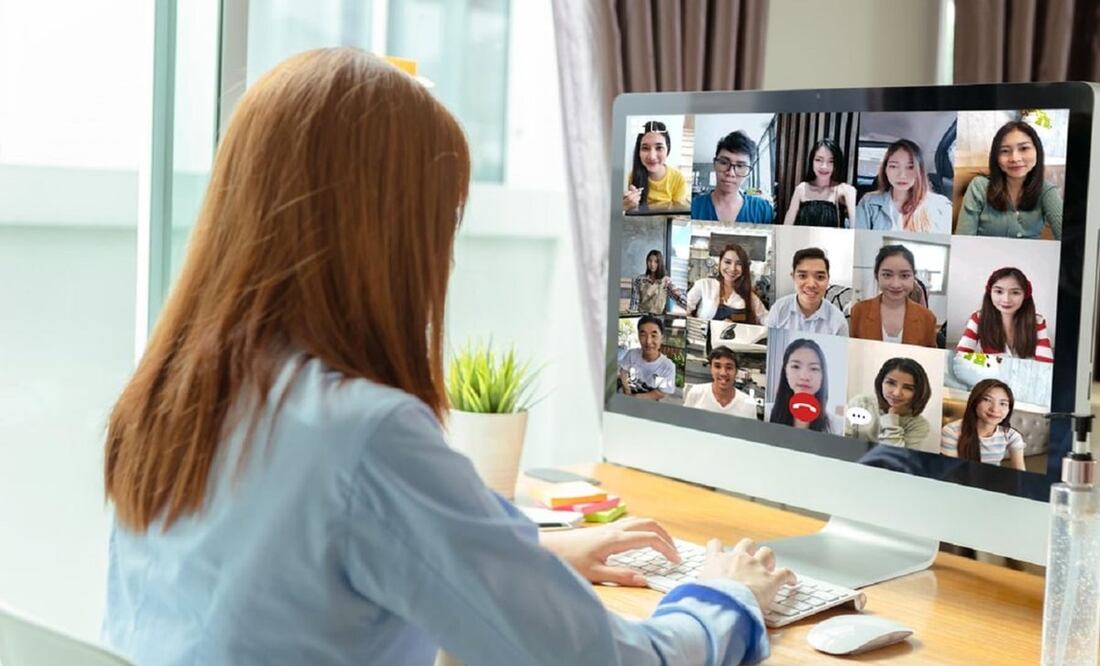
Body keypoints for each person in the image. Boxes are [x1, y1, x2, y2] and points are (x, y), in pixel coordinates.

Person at [101, 49, 794, 666]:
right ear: (389, 239)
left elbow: (304, 562)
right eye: (441, 222)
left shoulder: (176, 395)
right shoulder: (364, 433)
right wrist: (725, 596)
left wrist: (530, 561)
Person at [955, 120, 1063, 239]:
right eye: (1005, 151)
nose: (1015, 158)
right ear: (996, 157)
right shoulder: (979, 186)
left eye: (1024, 148)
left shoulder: (1046, 191)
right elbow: (963, 240)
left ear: (1037, 151)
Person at [955, 267, 1053, 362]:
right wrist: (986, 362)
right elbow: (960, 356)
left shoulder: (1037, 322)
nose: (1006, 299)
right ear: (990, 293)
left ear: (1025, 295)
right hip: (991, 376)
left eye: (1015, 292)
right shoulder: (978, 318)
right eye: (999, 291)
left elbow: (1046, 363)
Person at [849, 245, 939, 348]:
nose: (895, 284)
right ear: (876, 275)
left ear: (914, 276)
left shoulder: (927, 318)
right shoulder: (858, 311)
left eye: (904, 276)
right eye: (887, 275)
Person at [854, 139, 952, 233]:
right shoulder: (869, 203)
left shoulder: (940, 207)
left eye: (910, 167)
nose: (902, 175)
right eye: (894, 166)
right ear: (885, 169)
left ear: (919, 171)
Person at [845, 357, 932, 450]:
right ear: (880, 382)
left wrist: (891, 422)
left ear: (918, 392)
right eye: (891, 383)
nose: (896, 393)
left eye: (908, 388)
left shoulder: (918, 425)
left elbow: (894, 458)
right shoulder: (861, 403)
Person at [941, 379, 1026, 470]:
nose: (995, 409)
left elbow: (1019, 473)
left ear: (1009, 409)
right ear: (975, 402)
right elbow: (951, 473)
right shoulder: (951, 431)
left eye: (1003, 403)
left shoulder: (1011, 435)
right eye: (987, 400)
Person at [690, 131, 775, 223]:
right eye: (724, 163)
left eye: (740, 166)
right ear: (714, 164)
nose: (730, 173)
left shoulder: (762, 210)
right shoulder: (693, 207)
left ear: (749, 172)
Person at [765, 247, 848, 335]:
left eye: (820, 277)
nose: (811, 284)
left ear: (828, 279)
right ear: (793, 277)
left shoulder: (838, 321)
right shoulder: (779, 309)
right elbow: (769, 345)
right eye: (803, 276)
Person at [781, 139, 857, 227]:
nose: (824, 166)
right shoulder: (801, 189)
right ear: (812, 161)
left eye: (831, 161)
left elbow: (854, 228)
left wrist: (850, 195)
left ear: (836, 164)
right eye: (818, 160)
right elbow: (786, 228)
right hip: (802, 240)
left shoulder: (843, 190)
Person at [685, 243, 768, 323]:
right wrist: (695, 328)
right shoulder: (704, 285)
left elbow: (766, 318)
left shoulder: (750, 297)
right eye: (727, 262)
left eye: (739, 264)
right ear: (720, 263)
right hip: (704, 336)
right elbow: (684, 309)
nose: (732, 268)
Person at [769, 338, 835, 433]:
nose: (804, 377)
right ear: (785, 371)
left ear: (823, 375)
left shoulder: (835, 425)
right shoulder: (767, 413)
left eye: (814, 368)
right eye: (796, 366)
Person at [622, 120, 690, 211]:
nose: (652, 156)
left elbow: (678, 214)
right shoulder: (633, 174)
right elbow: (634, 213)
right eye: (645, 148)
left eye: (659, 148)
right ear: (639, 152)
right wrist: (626, 207)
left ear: (667, 149)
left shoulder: (678, 178)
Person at [683, 347, 758, 418]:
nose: (723, 373)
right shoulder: (696, 393)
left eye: (729, 368)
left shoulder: (748, 404)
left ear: (736, 371)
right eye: (717, 366)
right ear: (711, 368)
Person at [618, 315, 678, 400]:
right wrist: (627, 391)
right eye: (643, 335)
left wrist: (636, 398)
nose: (648, 342)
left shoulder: (666, 367)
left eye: (654, 335)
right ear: (638, 336)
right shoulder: (632, 355)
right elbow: (623, 372)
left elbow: (661, 392)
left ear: (662, 338)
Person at [629, 249, 687, 314]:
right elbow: (634, 303)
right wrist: (633, 315)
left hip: (658, 319)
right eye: (650, 261)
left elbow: (678, 297)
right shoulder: (640, 279)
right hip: (642, 318)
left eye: (656, 261)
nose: (652, 264)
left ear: (660, 263)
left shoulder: (665, 281)